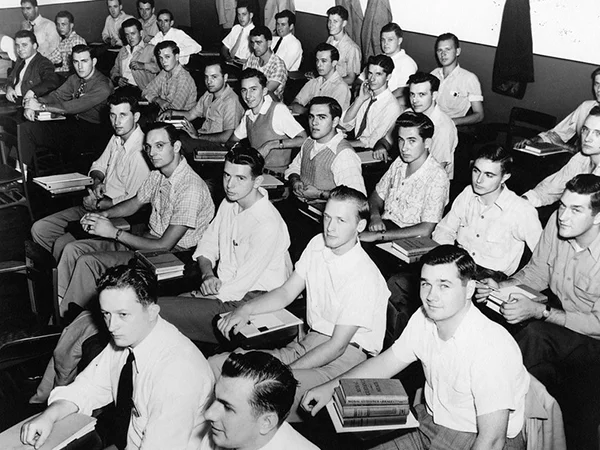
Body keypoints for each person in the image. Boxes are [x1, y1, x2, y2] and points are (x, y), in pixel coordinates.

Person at [303, 245, 529, 450]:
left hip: (474, 436)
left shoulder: (491, 347)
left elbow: (492, 440)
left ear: (469, 289)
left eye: (444, 285)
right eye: (426, 284)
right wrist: (330, 388)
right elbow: (385, 363)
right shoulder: (424, 318)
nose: (431, 296)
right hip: (430, 421)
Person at [210, 186, 389, 422]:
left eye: (341, 220)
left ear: (360, 226)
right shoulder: (318, 244)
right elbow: (286, 292)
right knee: (219, 365)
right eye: (327, 217)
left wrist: (283, 374)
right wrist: (246, 309)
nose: (330, 227)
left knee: (257, 394)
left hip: (344, 360)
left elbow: (337, 346)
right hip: (309, 343)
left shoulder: (363, 275)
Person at [20, 265, 215, 450]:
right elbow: (89, 387)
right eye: (106, 314)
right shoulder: (130, 340)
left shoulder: (177, 373)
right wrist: (49, 415)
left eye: (123, 314)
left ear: (152, 312)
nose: (112, 326)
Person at [476, 174, 600, 448]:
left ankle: (494, 409)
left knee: (535, 334)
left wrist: (540, 312)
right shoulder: (558, 228)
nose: (563, 216)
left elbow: (597, 324)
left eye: (576, 209)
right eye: (562, 206)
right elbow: (535, 275)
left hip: (594, 341)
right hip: (564, 329)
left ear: (597, 217)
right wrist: (500, 286)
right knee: (486, 306)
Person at [56, 122, 215, 316]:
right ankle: (63, 313)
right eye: (148, 147)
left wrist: (114, 232)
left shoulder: (190, 187)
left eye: (159, 146)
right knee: (73, 249)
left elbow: (164, 245)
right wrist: (104, 214)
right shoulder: (158, 174)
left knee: (87, 262)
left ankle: (76, 321)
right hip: (145, 242)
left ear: (176, 147)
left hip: (171, 257)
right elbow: (134, 203)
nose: (152, 152)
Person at [159, 145, 292, 344]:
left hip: (251, 300)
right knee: (163, 307)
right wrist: (207, 274)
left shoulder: (267, 224)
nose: (230, 185)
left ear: (258, 181)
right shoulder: (230, 202)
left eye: (240, 178)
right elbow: (208, 243)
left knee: (159, 311)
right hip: (225, 287)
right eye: (227, 175)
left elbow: (241, 285)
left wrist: (198, 295)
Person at [30, 94, 150, 261]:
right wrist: (98, 182)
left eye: (123, 115)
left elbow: (133, 202)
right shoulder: (117, 137)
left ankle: (68, 272)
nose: (116, 122)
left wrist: (99, 204)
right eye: (113, 115)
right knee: (40, 229)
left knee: (63, 245)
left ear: (136, 116)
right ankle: (63, 270)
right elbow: (98, 166)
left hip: (117, 216)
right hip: (96, 204)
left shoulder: (140, 152)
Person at [433, 144, 542, 278]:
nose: (479, 180)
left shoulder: (521, 210)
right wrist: (447, 261)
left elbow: (543, 258)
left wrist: (513, 283)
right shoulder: (468, 194)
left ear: (504, 177)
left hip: (492, 279)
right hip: (459, 266)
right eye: (476, 171)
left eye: (489, 175)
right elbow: (444, 229)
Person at [360, 111, 449, 243]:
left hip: (408, 239)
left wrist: (380, 236)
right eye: (401, 140)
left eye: (412, 141)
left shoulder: (437, 176)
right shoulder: (399, 162)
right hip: (384, 227)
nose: (404, 148)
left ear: (427, 143)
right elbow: (376, 196)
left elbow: (426, 229)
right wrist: (375, 216)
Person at [21, 44, 114, 170]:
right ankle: (20, 177)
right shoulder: (75, 78)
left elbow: (72, 107)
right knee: (26, 128)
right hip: (72, 126)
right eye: (76, 62)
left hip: (93, 134)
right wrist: (33, 102)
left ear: (94, 61)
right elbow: (57, 96)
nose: (79, 66)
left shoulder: (103, 85)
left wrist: (40, 106)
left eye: (84, 61)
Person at [201, 352, 319, 450]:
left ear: (266, 422)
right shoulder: (229, 434)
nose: (208, 414)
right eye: (215, 397)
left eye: (227, 407)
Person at [373, 72, 458, 177]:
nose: (414, 100)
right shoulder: (408, 113)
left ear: (434, 95)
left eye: (421, 94)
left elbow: (436, 172)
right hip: (402, 173)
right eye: (412, 94)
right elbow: (386, 140)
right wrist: (380, 147)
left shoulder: (443, 127)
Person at [285, 96, 366, 200]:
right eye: (311, 117)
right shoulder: (309, 142)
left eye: (322, 117)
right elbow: (294, 167)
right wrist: (295, 180)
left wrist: (319, 194)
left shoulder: (344, 154)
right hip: (301, 209)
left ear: (335, 121)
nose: (314, 122)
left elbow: (356, 197)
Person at [229, 68, 307, 172]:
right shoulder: (248, 115)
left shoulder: (278, 110)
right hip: (256, 173)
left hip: (278, 177)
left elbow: (304, 139)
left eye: (253, 89)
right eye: (244, 90)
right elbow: (231, 141)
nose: (248, 96)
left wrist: (271, 145)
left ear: (264, 91)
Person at [522, 106, 600, 207]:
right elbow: (549, 189)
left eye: (598, 133)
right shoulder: (581, 158)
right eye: (585, 130)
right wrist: (521, 202)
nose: (587, 138)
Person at [159, 59, 244, 151]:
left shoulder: (231, 101)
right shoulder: (208, 94)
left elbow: (228, 136)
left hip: (218, 147)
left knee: (176, 144)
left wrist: (198, 136)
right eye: (206, 77)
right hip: (203, 140)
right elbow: (191, 114)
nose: (209, 81)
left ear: (225, 77)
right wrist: (171, 112)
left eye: (214, 77)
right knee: (170, 135)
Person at [516, 67, 600, 153]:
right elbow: (557, 133)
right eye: (597, 84)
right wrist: (533, 141)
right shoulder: (586, 106)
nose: (599, 90)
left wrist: (566, 146)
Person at [341, 54, 402, 150]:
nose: (372, 79)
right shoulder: (366, 96)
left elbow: (372, 142)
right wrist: (360, 100)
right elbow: (345, 124)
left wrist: (343, 143)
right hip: (354, 144)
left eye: (378, 74)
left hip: (369, 152)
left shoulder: (392, 107)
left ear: (388, 77)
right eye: (370, 73)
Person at [431, 32, 485, 126]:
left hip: (452, 127)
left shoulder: (469, 78)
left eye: (448, 49)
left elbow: (479, 115)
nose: (443, 54)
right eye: (440, 50)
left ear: (457, 51)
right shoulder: (434, 74)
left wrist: (450, 123)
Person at [357, 23, 417, 100]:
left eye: (390, 40)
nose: (385, 43)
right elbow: (360, 79)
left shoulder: (407, 63)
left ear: (399, 41)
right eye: (383, 40)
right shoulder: (378, 58)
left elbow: (403, 90)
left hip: (388, 103)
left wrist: (380, 100)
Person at [290, 43, 350, 114]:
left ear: (334, 63)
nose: (318, 65)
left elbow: (331, 117)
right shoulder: (314, 82)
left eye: (323, 61)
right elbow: (294, 104)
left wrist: (305, 111)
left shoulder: (341, 87)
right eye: (317, 60)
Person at [2, 30, 60, 104]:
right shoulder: (20, 60)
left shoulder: (43, 62)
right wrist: (9, 88)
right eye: (17, 45)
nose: (20, 49)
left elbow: (51, 81)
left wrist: (32, 91)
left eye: (24, 45)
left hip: (29, 104)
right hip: (14, 100)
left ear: (34, 46)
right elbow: (10, 79)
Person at [142, 40, 196, 112]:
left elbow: (174, 109)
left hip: (179, 120)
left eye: (167, 57)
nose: (163, 61)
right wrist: (157, 100)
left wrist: (154, 99)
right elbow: (145, 92)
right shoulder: (164, 73)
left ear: (176, 57)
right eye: (161, 58)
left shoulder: (184, 79)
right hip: (163, 118)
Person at [110, 18, 159, 92]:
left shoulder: (151, 49)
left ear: (141, 33)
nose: (130, 38)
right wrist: (117, 78)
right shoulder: (123, 50)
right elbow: (115, 69)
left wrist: (143, 65)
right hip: (123, 88)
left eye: (133, 33)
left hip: (141, 90)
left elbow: (159, 68)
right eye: (127, 35)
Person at [243, 26, 287, 101]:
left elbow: (264, 93)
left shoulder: (278, 65)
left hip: (270, 105)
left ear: (269, 43)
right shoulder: (252, 58)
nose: (254, 47)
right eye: (252, 42)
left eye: (258, 42)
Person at [325, 5, 361, 86]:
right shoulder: (330, 40)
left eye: (335, 21)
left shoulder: (352, 48)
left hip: (340, 89)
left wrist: (328, 81)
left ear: (344, 23)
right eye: (329, 21)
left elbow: (351, 79)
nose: (331, 25)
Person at [47, 10, 87, 76]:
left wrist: (55, 70)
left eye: (63, 24)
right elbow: (52, 58)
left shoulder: (77, 41)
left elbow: (78, 67)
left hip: (74, 76)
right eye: (58, 24)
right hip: (65, 75)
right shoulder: (63, 42)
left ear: (71, 25)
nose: (60, 27)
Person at [221, 0, 255, 65]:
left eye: (244, 14)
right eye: (239, 15)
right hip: (230, 62)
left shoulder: (255, 32)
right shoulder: (236, 28)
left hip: (244, 65)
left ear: (251, 15)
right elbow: (225, 47)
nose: (241, 18)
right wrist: (227, 57)